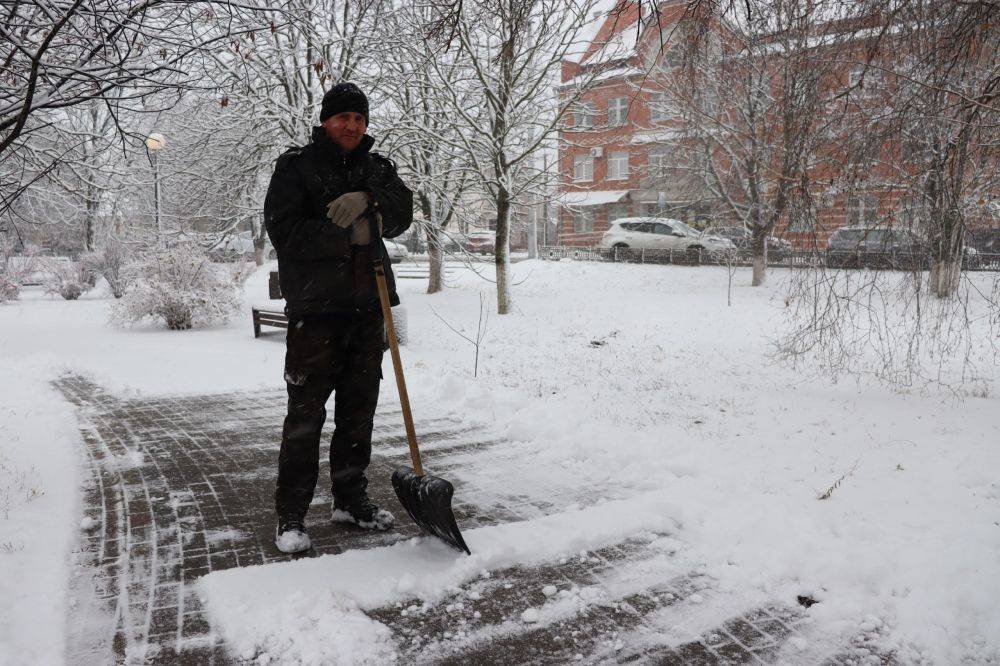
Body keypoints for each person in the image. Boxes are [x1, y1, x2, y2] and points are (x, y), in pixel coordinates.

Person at [263, 82, 413, 554]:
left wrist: (369, 197)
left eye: (359, 119)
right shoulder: (297, 168)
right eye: (342, 117)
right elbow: (284, 232)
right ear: (325, 121)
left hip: (368, 310)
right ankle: (291, 514)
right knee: (305, 417)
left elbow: (403, 210)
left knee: (357, 414)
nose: (351, 126)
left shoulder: (378, 167)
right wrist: (344, 236)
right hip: (317, 313)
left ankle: (350, 499)